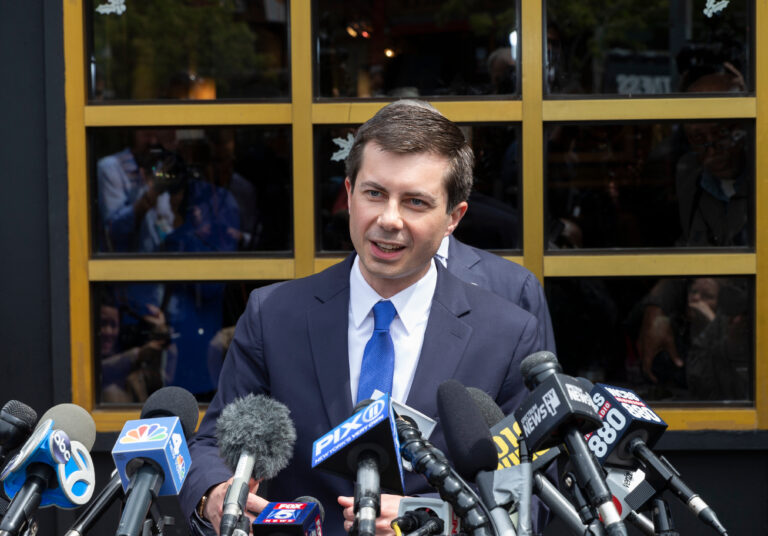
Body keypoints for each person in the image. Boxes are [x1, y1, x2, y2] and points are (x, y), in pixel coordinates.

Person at [179, 101, 542, 535]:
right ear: (349, 194)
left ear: (453, 218)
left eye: (415, 202)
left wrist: (431, 521)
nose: (389, 219)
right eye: (374, 194)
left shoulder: (506, 335)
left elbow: (528, 495)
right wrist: (215, 494)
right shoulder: (273, 314)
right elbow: (213, 445)